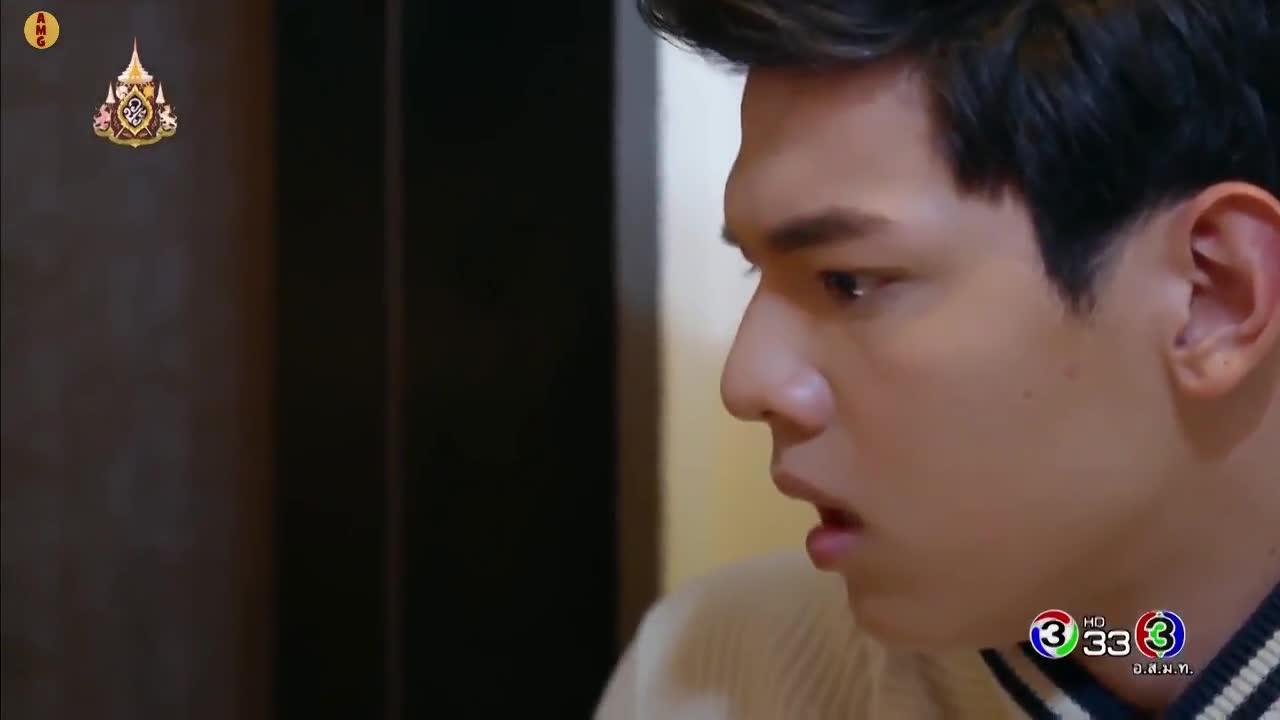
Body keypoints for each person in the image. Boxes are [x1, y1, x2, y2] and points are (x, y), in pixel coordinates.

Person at [597, 1, 1279, 718]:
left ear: (1215, 296)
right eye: (754, 269)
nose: (748, 382)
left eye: (849, 281)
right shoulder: (716, 673)